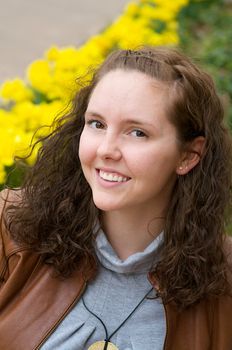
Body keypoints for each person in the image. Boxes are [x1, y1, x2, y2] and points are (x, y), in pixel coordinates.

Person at [0, 46, 232, 350]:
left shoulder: (223, 278)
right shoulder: (12, 229)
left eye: (137, 133)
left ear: (188, 155)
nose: (106, 149)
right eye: (97, 124)